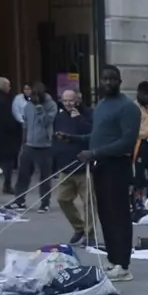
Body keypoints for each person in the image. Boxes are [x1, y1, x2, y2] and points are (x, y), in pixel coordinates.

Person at [78, 66, 142, 282]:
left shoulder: (128, 108)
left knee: (119, 216)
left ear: (120, 81)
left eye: (112, 79)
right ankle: (113, 260)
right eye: (104, 79)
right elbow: (99, 135)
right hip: (101, 166)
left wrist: (95, 152)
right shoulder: (102, 105)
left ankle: (124, 265)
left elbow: (127, 142)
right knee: (105, 215)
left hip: (117, 167)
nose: (107, 83)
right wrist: (73, 140)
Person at [53, 90, 96, 245]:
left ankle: (90, 235)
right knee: (62, 199)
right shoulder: (60, 116)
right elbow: (56, 137)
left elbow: (92, 134)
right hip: (66, 165)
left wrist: (78, 119)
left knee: (89, 203)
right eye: (64, 101)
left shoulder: (88, 114)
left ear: (78, 100)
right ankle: (79, 227)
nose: (67, 104)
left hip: (84, 166)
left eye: (70, 100)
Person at [11, 82, 58, 213]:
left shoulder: (51, 105)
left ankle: (45, 203)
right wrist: (23, 142)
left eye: (36, 96)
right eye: (32, 96)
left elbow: (46, 122)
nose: (33, 99)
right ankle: (19, 201)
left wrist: (39, 108)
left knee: (45, 177)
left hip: (45, 146)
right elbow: (25, 124)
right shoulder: (28, 106)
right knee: (23, 175)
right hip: (29, 145)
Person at [0, 77, 21, 194]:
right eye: (8, 85)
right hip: (4, 137)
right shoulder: (6, 101)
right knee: (7, 161)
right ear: (4, 87)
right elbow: (9, 120)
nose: (10, 88)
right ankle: (7, 185)